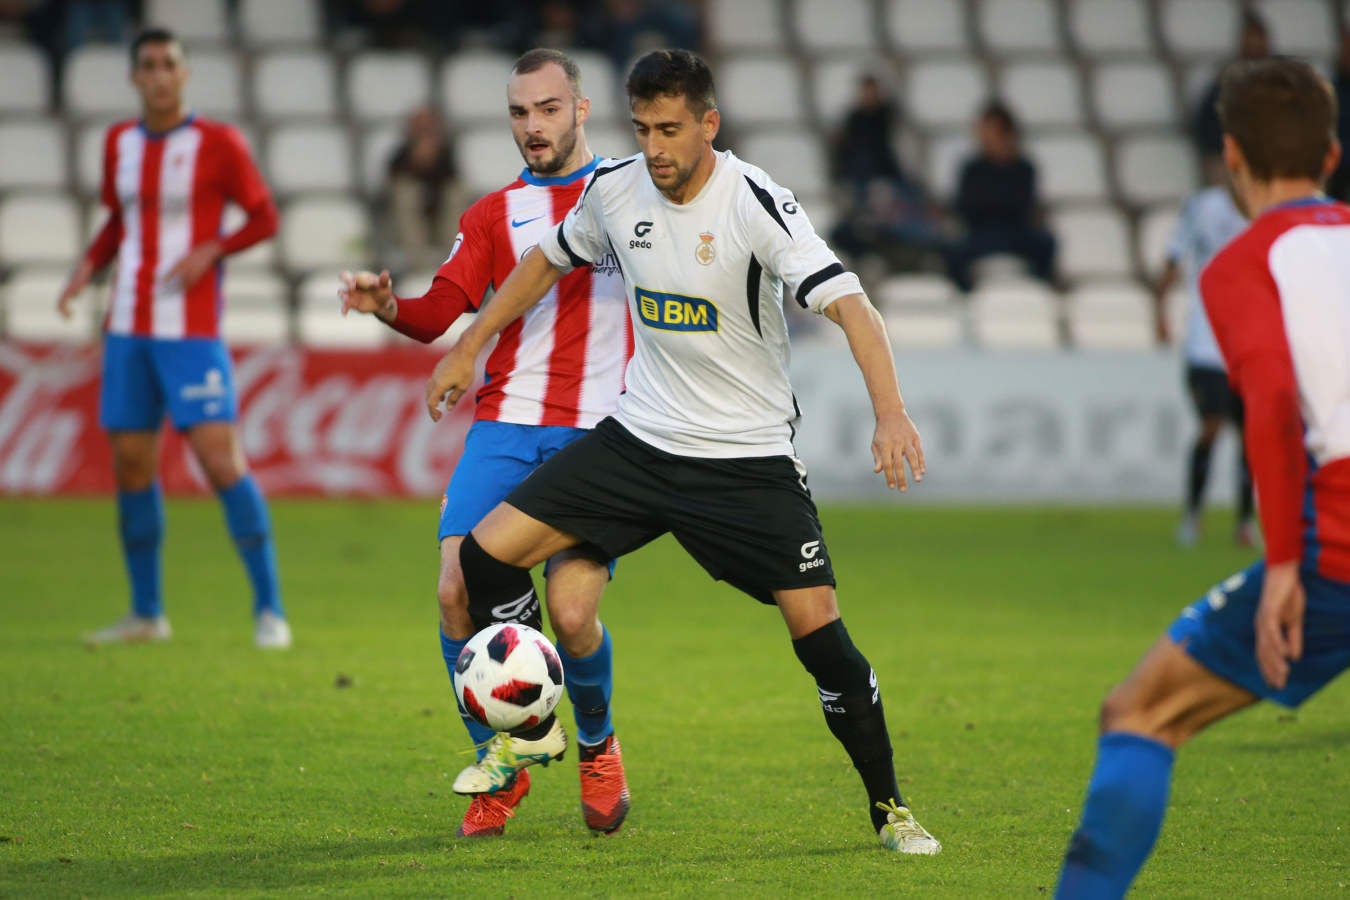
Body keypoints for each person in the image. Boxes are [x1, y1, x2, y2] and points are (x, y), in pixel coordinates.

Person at [424, 48, 942, 855]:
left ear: (709, 124)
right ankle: (537, 726)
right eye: (642, 128)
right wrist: (470, 345)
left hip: (744, 460)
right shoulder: (616, 188)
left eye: (670, 129)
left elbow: (854, 307)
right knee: (485, 563)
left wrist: (891, 413)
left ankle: (891, 808)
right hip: (639, 440)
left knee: (823, 643)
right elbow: (541, 263)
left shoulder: (755, 202)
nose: (655, 147)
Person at [1057, 57, 1350, 898]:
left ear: (1232, 157)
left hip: (1337, 546)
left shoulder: (1246, 263)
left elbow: (1272, 406)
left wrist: (1285, 566)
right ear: (1331, 156)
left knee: (1138, 713)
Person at [338, 48, 633, 839]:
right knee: (450, 591)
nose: (532, 127)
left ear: (582, 108)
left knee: (571, 617)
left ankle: (598, 746)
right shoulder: (491, 214)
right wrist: (387, 305)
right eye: (518, 113)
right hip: (503, 427)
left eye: (547, 109)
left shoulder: (631, 196)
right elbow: (440, 312)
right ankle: (499, 761)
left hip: (597, 436)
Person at [57, 28, 290, 651]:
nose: (160, 75)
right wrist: (88, 267)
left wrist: (214, 248)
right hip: (127, 328)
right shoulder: (119, 143)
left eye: (169, 65)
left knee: (220, 461)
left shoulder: (218, 143)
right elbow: (119, 220)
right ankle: (146, 613)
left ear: (183, 75)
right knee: (132, 466)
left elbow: (265, 215)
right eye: (149, 66)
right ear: (135, 77)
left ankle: (270, 610)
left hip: (189, 332)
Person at [1153, 181, 1255, 547]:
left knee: (1252, 437)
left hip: (1251, 343)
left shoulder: (1267, 207)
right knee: (1211, 427)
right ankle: (1193, 515)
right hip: (1206, 344)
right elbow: (1172, 256)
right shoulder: (1201, 207)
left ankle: (1245, 522)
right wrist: (1159, 312)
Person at [828, 74, 947, 273]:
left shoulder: (892, 120)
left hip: (893, 188)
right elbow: (844, 167)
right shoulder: (853, 123)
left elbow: (902, 163)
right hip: (864, 189)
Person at [946, 101, 1057, 294]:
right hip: (981, 233)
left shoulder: (1024, 168)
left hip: (1015, 232)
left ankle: (1040, 292)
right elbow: (963, 206)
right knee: (952, 249)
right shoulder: (971, 168)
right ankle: (965, 296)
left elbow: (1022, 207)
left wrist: (989, 202)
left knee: (1046, 243)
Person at [385, 105, 467, 272]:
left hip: (440, 220)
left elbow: (452, 180)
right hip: (409, 229)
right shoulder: (399, 157)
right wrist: (417, 163)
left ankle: (454, 255)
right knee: (405, 194)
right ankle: (417, 261)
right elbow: (391, 187)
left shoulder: (447, 157)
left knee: (456, 194)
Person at [1192, 10, 1269, 168]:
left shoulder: (1279, 81)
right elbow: (1207, 124)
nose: (1255, 43)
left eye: (1259, 37)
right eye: (1251, 37)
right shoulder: (1225, 80)